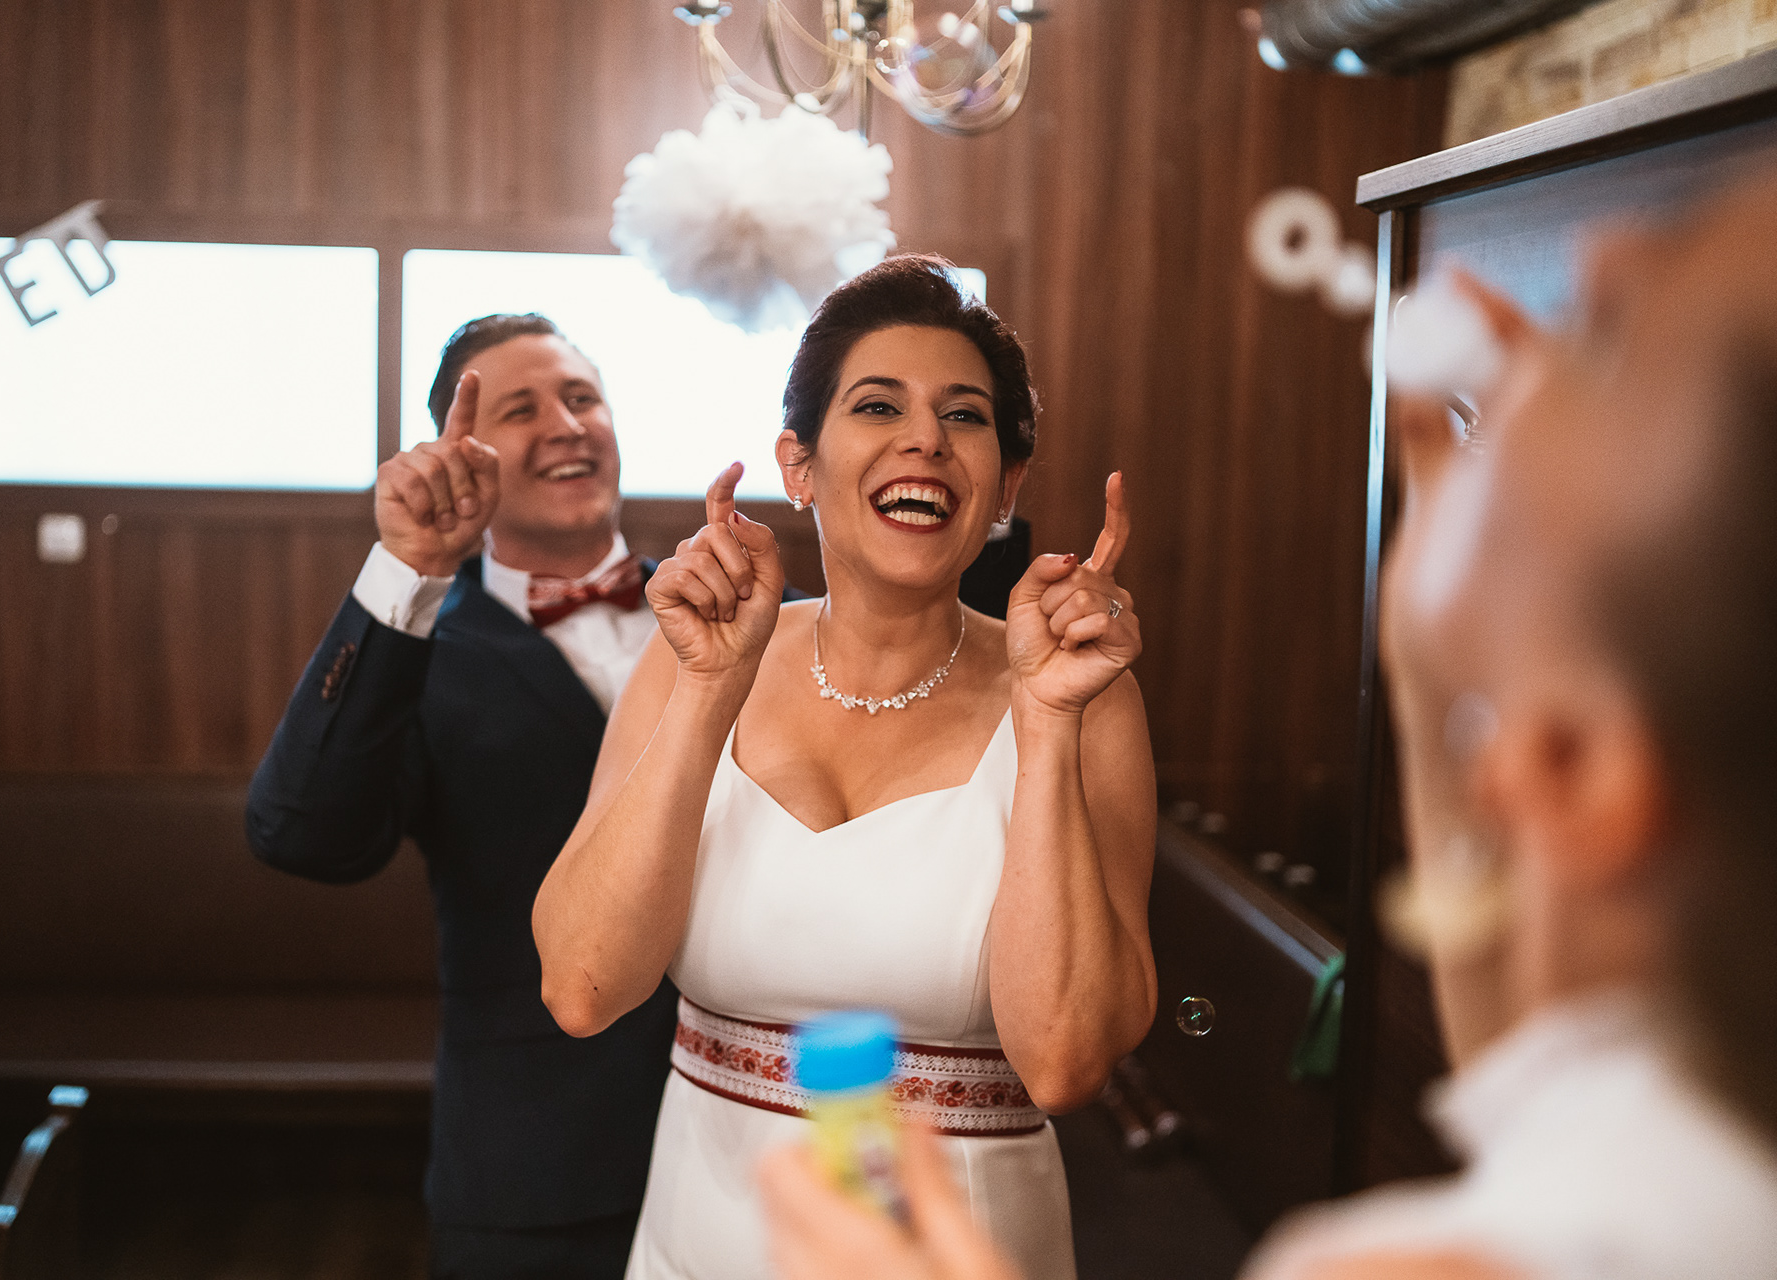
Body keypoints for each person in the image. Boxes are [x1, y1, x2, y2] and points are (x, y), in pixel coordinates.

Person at [757, 175, 1777, 1279]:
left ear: (1567, 772)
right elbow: (1533, 1079)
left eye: (1627, 333)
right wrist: (1427, 660)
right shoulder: (1688, 1142)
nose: (1608, 250)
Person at [531, 255, 1160, 1280]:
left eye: (965, 416)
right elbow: (581, 986)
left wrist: (1043, 721)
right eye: (878, 405)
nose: (925, 439)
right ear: (799, 463)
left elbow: (1063, 1062)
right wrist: (709, 689)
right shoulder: (691, 660)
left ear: (1006, 484)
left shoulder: (1083, 696)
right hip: (698, 1240)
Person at [246, 314, 678, 1280]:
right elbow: (301, 834)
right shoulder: (418, 648)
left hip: (760, 1137)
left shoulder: (738, 616)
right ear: (458, 457)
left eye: (582, 397)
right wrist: (410, 570)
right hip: (538, 1157)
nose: (566, 424)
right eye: (521, 410)